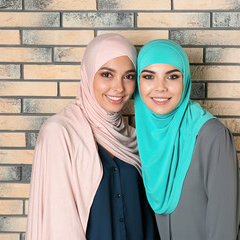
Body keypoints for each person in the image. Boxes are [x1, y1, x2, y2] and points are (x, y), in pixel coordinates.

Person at [26, 34, 159, 240]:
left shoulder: (133, 138)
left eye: (129, 76)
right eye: (107, 74)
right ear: (88, 74)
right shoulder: (60, 132)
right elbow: (59, 223)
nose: (119, 87)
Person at [134, 39, 240, 240]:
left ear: (184, 81)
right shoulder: (143, 136)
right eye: (149, 76)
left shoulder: (212, 136)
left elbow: (223, 231)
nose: (160, 87)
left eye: (172, 77)